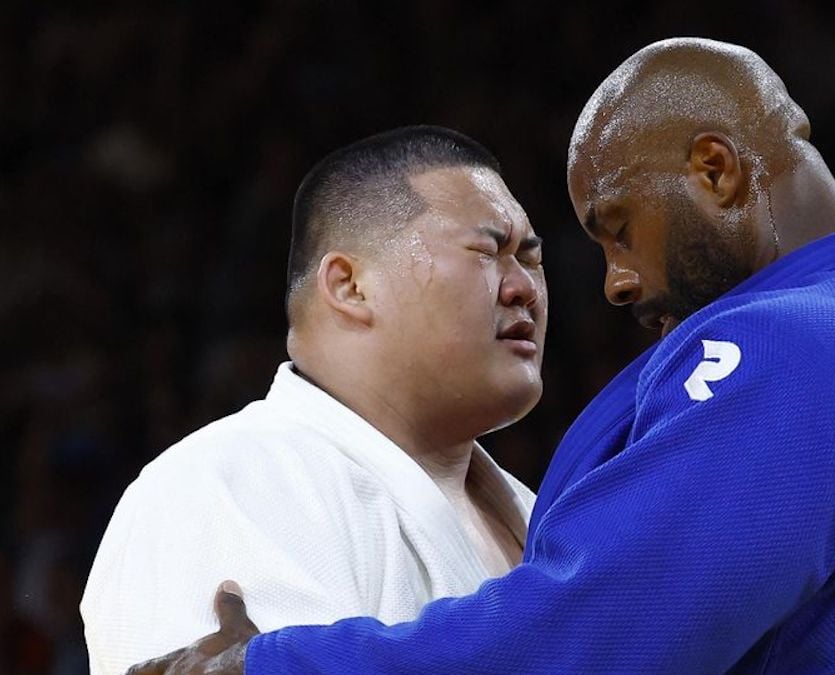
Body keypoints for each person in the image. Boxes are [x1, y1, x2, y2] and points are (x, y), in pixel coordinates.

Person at [128, 38, 835, 674]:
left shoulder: (795, 348)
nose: (615, 282)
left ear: (716, 171)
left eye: (618, 229)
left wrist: (279, 665)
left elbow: (583, 639)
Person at [80, 126, 548, 675]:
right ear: (351, 286)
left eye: (532, 259)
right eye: (488, 252)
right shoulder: (227, 483)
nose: (524, 288)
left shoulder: (546, 515)